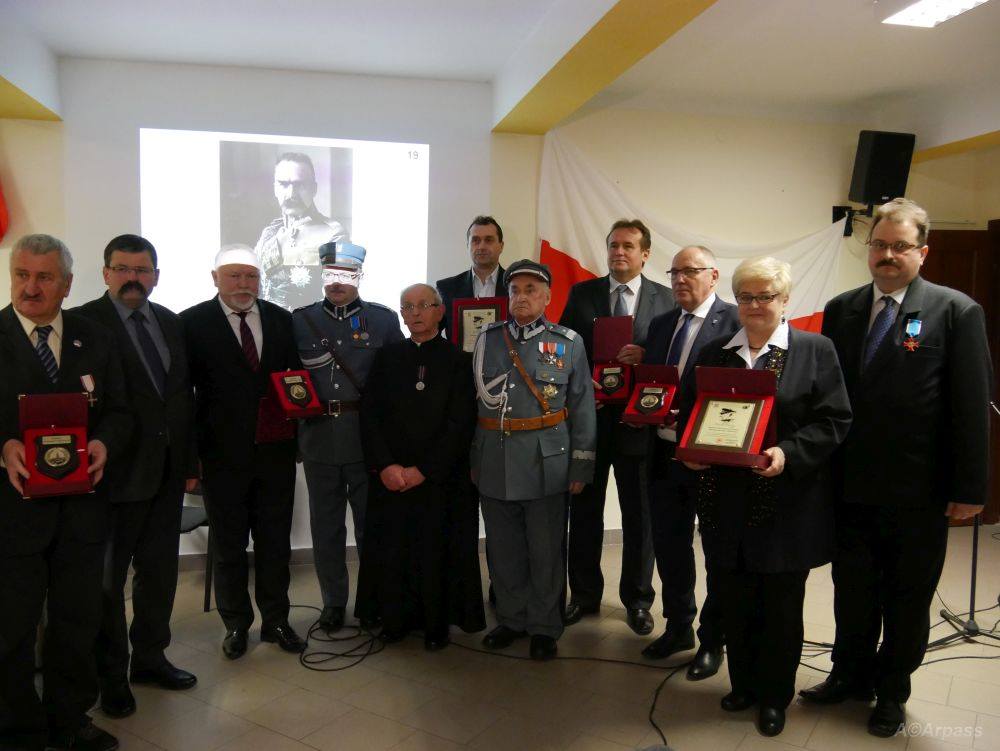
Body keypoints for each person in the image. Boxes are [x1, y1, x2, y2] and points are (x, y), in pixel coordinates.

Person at [802, 198, 992, 737]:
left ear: (922, 252)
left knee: (906, 598)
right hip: (849, 485)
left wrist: (970, 488)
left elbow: (970, 408)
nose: (887, 255)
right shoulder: (842, 309)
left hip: (918, 491)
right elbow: (828, 395)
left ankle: (892, 691)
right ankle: (849, 674)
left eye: (900, 246)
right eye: (880, 245)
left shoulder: (956, 312)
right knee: (852, 589)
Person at [677, 256, 852, 737]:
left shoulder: (815, 349)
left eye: (766, 296)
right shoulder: (714, 352)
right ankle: (744, 685)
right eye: (746, 296)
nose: (755, 305)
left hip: (785, 504)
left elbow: (835, 419)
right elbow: (690, 413)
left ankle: (774, 697)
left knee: (780, 609)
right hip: (724, 502)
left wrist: (788, 452)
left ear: (785, 299)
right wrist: (691, 451)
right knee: (733, 599)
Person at [0, 234, 131, 751]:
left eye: (44, 277)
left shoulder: (94, 337)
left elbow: (120, 410)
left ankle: (69, 720)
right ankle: (17, 729)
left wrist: (103, 443)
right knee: (11, 627)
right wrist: (3, 445)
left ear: (67, 284)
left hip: (81, 509)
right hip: (13, 514)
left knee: (77, 621)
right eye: (22, 275)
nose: (30, 288)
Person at [74, 235, 197, 719]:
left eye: (142, 270)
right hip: (111, 478)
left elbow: (180, 399)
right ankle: (111, 676)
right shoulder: (83, 323)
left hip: (166, 474)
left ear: (156, 276)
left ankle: (150, 658)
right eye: (122, 269)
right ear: (106, 273)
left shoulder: (170, 321)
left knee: (159, 574)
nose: (132, 278)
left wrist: (189, 464)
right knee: (108, 584)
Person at [181, 245, 306, 660]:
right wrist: (191, 458)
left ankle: (276, 621)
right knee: (229, 546)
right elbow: (183, 397)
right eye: (234, 275)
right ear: (215, 278)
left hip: (275, 454)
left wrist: (298, 436)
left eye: (251, 276)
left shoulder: (282, 320)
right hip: (220, 458)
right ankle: (236, 624)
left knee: (275, 544)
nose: (243, 284)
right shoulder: (191, 323)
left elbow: (294, 383)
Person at [472, 259, 597, 660]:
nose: (521, 297)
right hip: (496, 457)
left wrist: (581, 464)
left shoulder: (568, 342)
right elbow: (475, 404)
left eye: (531, 290)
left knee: (545, 551)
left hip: (547, 461)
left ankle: (544, 626)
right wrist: (474, 459)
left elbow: (582, 407)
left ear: (547, 297)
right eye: (515, 290)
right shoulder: (487, 339)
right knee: (503, 549)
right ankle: (512, 619)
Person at [558, 219, 674, 635]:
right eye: (613, 245)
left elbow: (671, 357)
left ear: (645, 254)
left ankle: (638, 600)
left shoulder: (665, 299)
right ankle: (584, 595)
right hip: (590, 420)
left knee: (639, 516)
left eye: (628, 246)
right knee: (585, 512)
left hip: (638, 423)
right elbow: (564, 348)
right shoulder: (583, 293)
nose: (619, 252)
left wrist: (646, 355)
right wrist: (579, 380)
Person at [359, 283, 485, 649]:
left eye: (423, 305)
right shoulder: (386, 358)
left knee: (436, 551)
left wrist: (425, 470)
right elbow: (370, 417)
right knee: (394, 549)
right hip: (393, 479)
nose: (415, 313)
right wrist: (386, 466)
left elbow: (460, 424)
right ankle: (395, 620)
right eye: (407, 306)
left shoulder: (459, 361)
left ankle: (436, 625)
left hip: (440, 480)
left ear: (440, 311)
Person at [292, 241, 404, 634]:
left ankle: (372, 601)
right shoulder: (301, 320)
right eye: (330, 274)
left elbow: (398, 380)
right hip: (318, 439)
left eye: (345, 274)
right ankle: (333, 602)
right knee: (326, 530)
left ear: (359, 276)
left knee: (370, 528)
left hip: (365, 441)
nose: (337, 282)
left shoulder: (383, 320)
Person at [641, 245, 739, 678]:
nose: (680, 279)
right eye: (674, 272)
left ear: (713, 276)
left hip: (710, 459)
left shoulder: (735, 321)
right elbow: (654, 385)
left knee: (717, 552)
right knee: (669, 545)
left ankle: (713, 640)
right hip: (663, 453)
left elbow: (736, 393)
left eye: (691, 271)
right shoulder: (661, 324)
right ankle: (678, 625)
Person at [255, 152, 348, 311]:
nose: (292, 194)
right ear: (275, 188)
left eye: (300, 185)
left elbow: (340, 298)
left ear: (314, 189)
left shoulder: (332, 234)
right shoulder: (269, 233)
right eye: (284, 184)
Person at [435, 215, 508, 339]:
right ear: (467, 245)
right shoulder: (447, 288)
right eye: (475, 240)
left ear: (501, 246)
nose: (481, 246)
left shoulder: (515, 287)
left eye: (489, 240)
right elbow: (433, 333)